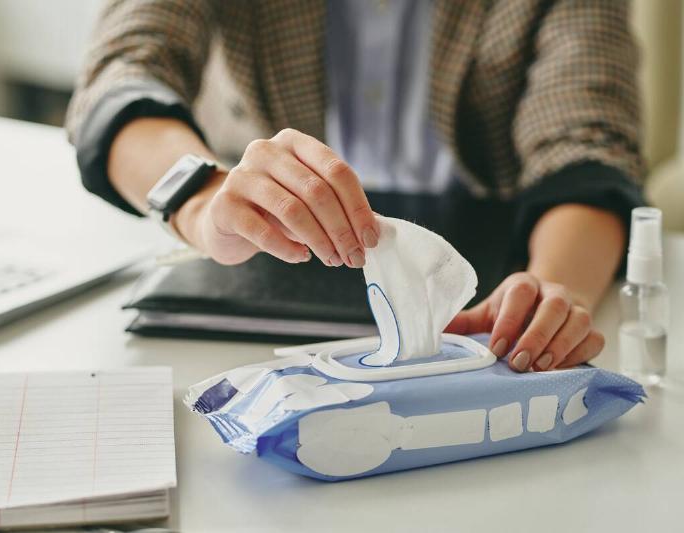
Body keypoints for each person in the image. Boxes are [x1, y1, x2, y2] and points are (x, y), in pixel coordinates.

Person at [65, 0, 645, 373]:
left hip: (487, 286)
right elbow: (123, 71)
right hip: (263, 276)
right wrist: (201, 198)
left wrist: (550, 293)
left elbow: (586, 147)